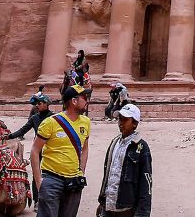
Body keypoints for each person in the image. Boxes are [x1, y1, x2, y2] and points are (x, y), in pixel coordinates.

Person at [31, 84, 91, 217]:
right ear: (74, 101)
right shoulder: (50, 123)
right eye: (84, 97)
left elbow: (85, 149)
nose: (87, 101)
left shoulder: (86, 122)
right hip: (52, 180)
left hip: (74, 181)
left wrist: (81, 172)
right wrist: (38, 181)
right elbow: (35, 151)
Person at [97, 103, 152, 217]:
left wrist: (143, 212)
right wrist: (102, 201)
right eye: (119, 119)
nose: (120, 123)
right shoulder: (114, 143)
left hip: (127, 209)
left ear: (135, 124)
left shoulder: (141, 147)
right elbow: (108, 175)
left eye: (125, 120)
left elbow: (146, 182)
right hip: (109, 206)